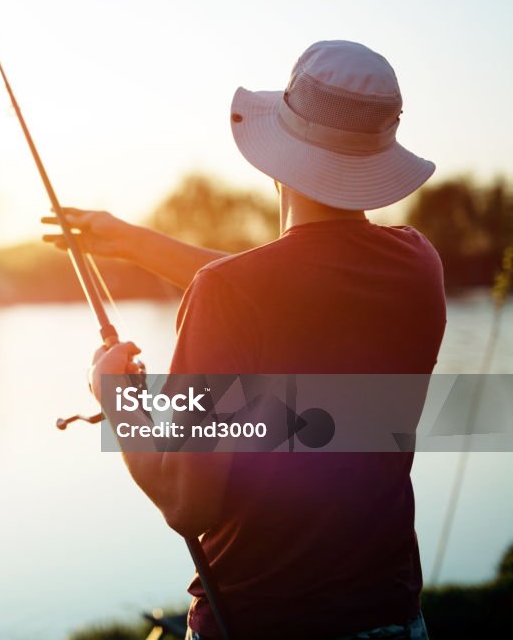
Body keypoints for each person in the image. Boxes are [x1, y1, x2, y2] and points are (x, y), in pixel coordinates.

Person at [44, 41, 444, 639]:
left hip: (261, 623)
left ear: (277, 155)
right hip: (391, 618)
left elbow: (187, 502)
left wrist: (115, 397)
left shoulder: (229, 294)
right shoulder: (418, 263)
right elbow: (288, 287)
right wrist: (131, 241)